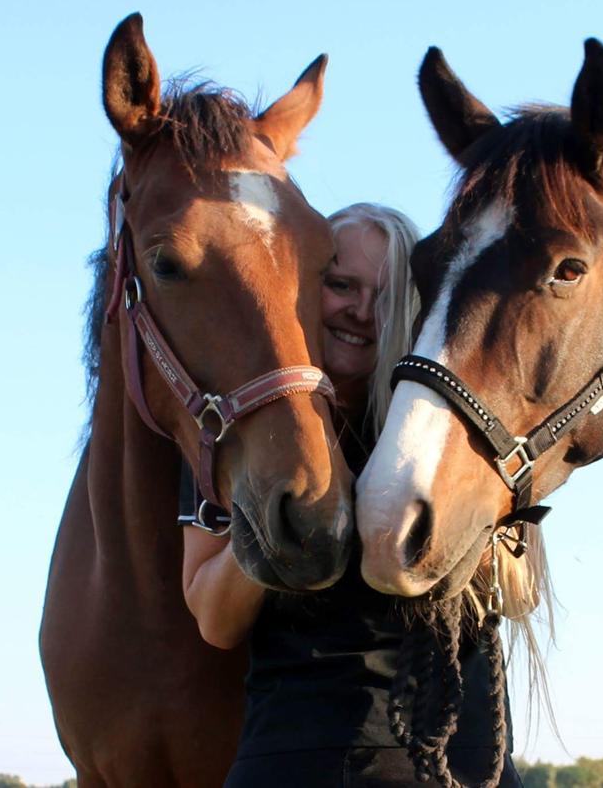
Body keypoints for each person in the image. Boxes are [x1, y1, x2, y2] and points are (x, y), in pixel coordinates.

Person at [181, 203, 531, 787]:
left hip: (464, 760)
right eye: (341, 285)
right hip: (300, 753)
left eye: (386, 295)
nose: (362, 312)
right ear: (299, 287)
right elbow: (215, 621)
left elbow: (517, 600)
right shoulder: (233, 427)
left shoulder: (445, 432)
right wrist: (296, 503)